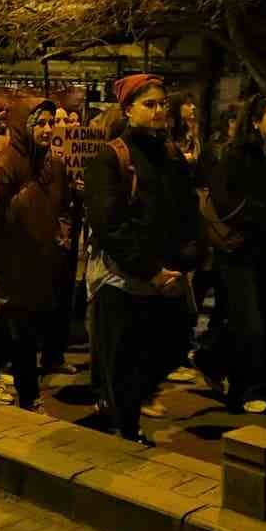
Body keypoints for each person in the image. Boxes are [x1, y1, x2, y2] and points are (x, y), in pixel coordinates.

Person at [84, 75, 202, 445]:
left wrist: (184, 262)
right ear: (127, 109)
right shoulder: (111, 157)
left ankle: (122, 410)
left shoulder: (171, 157)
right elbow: (109, 224)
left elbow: (188, 213)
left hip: (167, 275)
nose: (157, 112)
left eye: (161, 104)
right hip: (124, 278)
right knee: (125, 358)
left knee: (175, 340)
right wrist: (149, 270)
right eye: (148, 104)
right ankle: (126, 430)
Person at [203, 92, 266, 414]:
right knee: (247, 322)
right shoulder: (235, 155)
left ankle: (209, 357)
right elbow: (229, 204)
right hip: (237, 252)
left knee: (258, 318)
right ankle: (241, 391)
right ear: (255, 120)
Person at [0, 100, 71, 410]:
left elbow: (60, 206)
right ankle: (29, 396)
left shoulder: (53, 164)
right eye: (40, 123)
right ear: (23, 125)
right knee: (23, 328)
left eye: (51, 122)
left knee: (14, 325)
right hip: (12, 262)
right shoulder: (7, 163)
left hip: (40, 260)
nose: (48, 129)